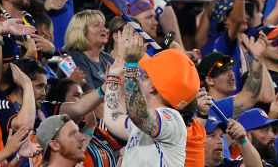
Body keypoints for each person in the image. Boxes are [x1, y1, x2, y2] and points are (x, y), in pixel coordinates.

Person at [103, 26, 201, 167]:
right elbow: (114, 119)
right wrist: (114, 75)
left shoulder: (172, 120)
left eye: (145, 75)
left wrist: (131, 66)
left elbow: (139, 115)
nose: (140, 76)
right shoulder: (145, 122)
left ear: (153, 87)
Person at [64, 9, 114, 90]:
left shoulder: (108, 59)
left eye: (104, 25)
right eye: (96, 25)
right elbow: (88, 95)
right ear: (81, 31)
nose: (104, 29)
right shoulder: (74, 59)